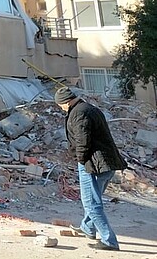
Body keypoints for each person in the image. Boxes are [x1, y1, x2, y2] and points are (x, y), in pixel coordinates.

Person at [56, 85, 128, 251]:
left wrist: (80, 160)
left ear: (66, 103)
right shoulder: (89, 108)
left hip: (93, 164)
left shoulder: (79, 113)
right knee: (94, 199)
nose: (60, 109)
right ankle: (87, 228)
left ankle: (109, 241)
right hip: (106, 163)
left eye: (60, 106)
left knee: (91, 203)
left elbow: (83, 141)